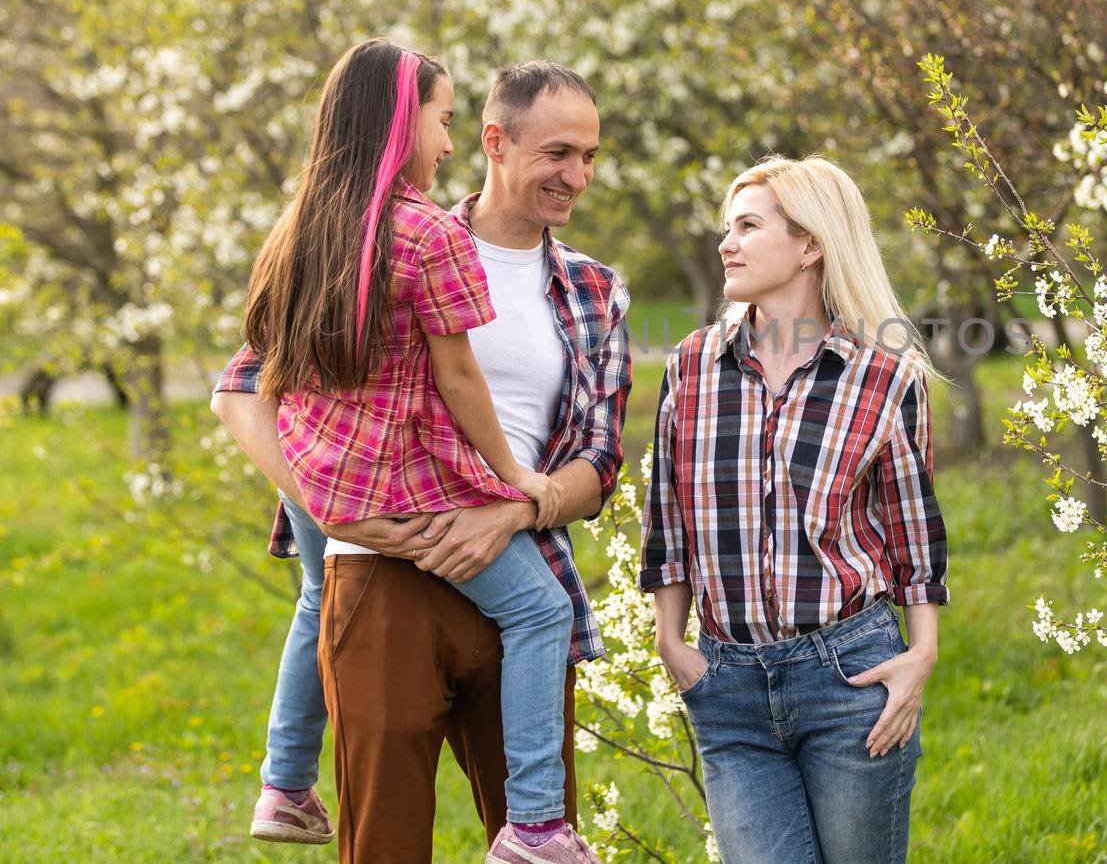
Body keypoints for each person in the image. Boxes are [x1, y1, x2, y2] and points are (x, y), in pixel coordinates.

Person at [212, 53, 629, 864]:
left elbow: (599, 458)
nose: (576, 175)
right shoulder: (375, 239)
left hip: (518, 561)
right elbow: (243, 389)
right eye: (558, 154)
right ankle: (288, 783)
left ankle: (288, 783)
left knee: (536, 837)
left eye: (590, 157)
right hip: (387, 576)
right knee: (384, 842)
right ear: (494, 141)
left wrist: (515, 506)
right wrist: (337, 509)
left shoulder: (595, 290)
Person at [640, 155, 949, 864]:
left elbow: (914, 533)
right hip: (728, 686)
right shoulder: (691, 367)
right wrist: (671, 640)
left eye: (748, 226)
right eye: (727, 226)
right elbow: (668, 520)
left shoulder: (884, 375)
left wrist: (920, 656)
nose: (727, 243)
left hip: (851, 681)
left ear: (809, 244)